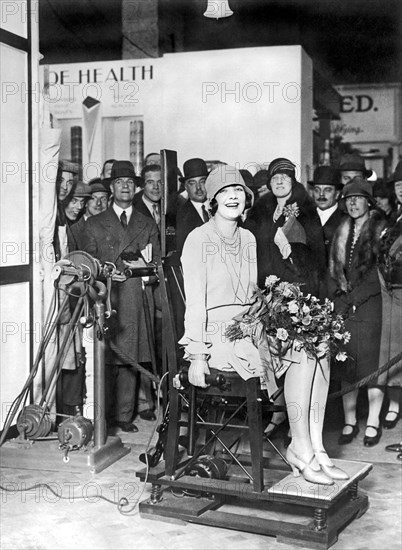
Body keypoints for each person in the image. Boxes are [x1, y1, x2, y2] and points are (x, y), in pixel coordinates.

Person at [183, 165, 341, 485]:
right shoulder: (197, 239)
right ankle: (300, 447)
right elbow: (194, 303)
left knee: (318, 344)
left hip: (250, 325)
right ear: (213, 199)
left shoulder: (248, 238)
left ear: (247, 198)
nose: (233, 197)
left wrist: (278, 314)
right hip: (218, 336)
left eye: (238, 191)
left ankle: (314, 444)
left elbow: (253, 294)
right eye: (225, 192)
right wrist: (197, 356)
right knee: (300, 351)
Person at [245, 158, 328, 451]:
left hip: (296, 293)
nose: (279, 181)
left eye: (285, 177)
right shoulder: (262, 208)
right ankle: (279, 413)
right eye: (275, 178)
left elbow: (316, 257)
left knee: (295, 358)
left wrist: (290, 248)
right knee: (271, 357)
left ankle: (298, 427)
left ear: (293, 181)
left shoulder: (305, 209)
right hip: (267, 292)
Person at [84, 160, 160, 432]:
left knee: (131, 357)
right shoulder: (94, 224)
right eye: (119, 182)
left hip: (136, 298)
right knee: (106, 359)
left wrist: (144, 272)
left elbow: (158, 266)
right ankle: (104, 416)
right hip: (107, 298)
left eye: (130, 182)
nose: (125, 186)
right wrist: (105, 273)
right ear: (112, 187)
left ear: (135, 187)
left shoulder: (147, 223)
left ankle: (125, 416)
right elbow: (86, 265)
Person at [329, 176, 387, 447]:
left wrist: (356, 298)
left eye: (358, 198)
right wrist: (340, 302)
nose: (353, 203)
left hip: (371, 306)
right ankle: (350, 421)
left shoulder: (381, 230)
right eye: (348, 199)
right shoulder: (342, 229)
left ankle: (373, 422)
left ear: (368, 202)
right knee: (345, 367)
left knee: (373, 367)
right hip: (344, 308)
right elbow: (333, 273)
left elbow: (382, 275)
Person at [377, 161, 402, 431]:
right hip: (391, 294)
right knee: (393, 354)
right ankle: (395, 405)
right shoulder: (393, 217)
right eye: (398, 185)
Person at [310, 165, 347, 262]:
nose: (321, 194)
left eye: (327, 190)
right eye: (317, 190)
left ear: (337, 194)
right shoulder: (304, 219)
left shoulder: (346, 221)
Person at [175, 158, 210, 254]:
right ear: (186, 187)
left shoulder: (222, 210)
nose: (198, 187)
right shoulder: (178, 216)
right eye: (192, 183)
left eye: (202, 181)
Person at [70, 178, 110, 251]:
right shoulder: (73, 230)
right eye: (93, 198)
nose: (98, 203)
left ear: (108, 202)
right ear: (85, 203)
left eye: (103, 199)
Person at [133, 164, 162, 230]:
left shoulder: (170, 207)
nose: (156, 187)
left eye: (160, 182)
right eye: (150, 182)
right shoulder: (132, 207)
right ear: (142, 185)